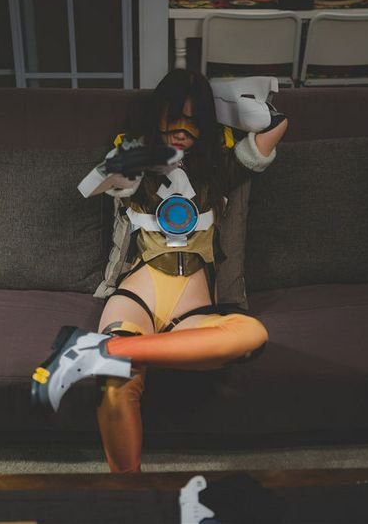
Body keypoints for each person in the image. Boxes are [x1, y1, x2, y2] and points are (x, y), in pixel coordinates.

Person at [32, 69, 288, 473]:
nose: (182, 130)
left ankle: (95, 351)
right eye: (174, 117)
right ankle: (128, 495)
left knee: (251, 336)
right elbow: (93, 185)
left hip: (194, 308)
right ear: (157, 115)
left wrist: (218, 101)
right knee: (116, 384)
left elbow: (275, 125)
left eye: (194, 120)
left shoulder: (219, 167)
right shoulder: (138, 165)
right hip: (137, 295)